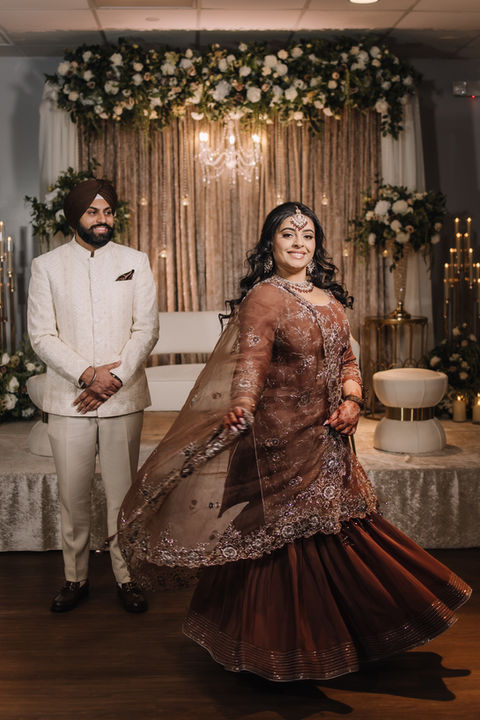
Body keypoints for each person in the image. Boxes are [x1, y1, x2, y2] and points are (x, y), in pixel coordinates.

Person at [117, 202, 470, 680]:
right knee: (281, 543)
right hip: (279, 442)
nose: (299, 242)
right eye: (288, 233)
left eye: (308, 234)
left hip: (330, 441)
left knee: (338, 533)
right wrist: (242, 403)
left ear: (317, 245)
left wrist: (353, 399)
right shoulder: (265, 297)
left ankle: (346, 635)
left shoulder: (329, 299)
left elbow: (348, 361)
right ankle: (281, 649)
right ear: (271, 243)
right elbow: (251, 362)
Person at [28, 178, 159, 614]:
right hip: (70, 398)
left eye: (107, 212)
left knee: (124, 496)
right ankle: (75, 578)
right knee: (73, 496)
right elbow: (41, 335)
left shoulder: (134, 261)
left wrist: (112, 379)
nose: (102, 220)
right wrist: (87, 375)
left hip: (122, 397)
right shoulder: (47, 266)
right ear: (75, 217)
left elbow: (146, 329)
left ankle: (127, 576)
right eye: (92, 212)